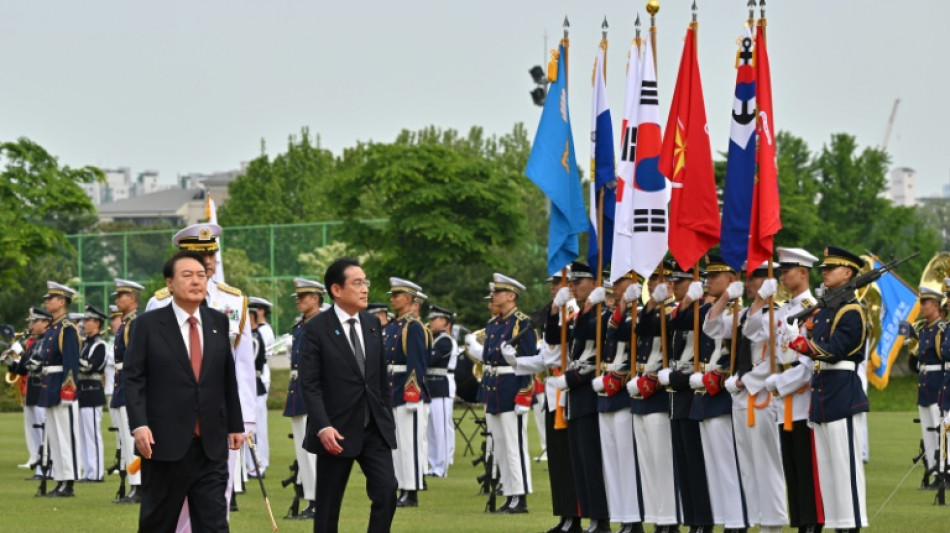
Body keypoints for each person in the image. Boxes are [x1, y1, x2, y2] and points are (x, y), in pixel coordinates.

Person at [125, 250, 245, 532]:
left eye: (201, 275)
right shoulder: (147, 325)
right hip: (164, 445)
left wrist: (235, 425)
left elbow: (227, 378)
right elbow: (133, 379)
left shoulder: (218, 322)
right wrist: (139, 424)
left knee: (214, 524)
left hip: (210, 446)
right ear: (170, 283)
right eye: (187, 275)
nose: (196, 281)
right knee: (158, 524)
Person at [146, 223, 256, 522]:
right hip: (173, 417)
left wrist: (245, 418)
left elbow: (243, 365)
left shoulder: (233, 302)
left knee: (217, 497)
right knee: (171, 498)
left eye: (211, 254)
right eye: (198, 255)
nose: (207, 262)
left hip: (219, 416)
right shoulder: (159, 302)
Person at [298, 257, 398, 533]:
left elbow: (379, 380)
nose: (365, 288)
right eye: (357, 283)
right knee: (328, 508)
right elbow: (310, 384)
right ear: (337, 290)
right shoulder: (316, 328)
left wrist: (386, 419)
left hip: (373, 428)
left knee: (387, 491)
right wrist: (323, 426)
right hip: (336, 431)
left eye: (366, 282)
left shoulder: (372, 324)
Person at [787, 247, 869, 532]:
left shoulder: (852, 311)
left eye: (830, 269)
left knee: (846, 469)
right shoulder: (826, 311)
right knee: (828, 473)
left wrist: (801, 344)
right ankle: (837, 524)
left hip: (842, 395)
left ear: (847, 273)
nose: (824, 273)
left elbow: (834, 351)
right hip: (823, 396)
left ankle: (851, 525)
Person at [754, 247, 823, 533]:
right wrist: (761, 299)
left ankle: (813, 523)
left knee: (807, 468)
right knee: (792, 468)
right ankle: (801, 523)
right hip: (783, 400)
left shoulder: (813, 309)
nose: (782, 276)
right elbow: (756, 335)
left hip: (803, 397)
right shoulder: (782, 311)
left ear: (803, 272)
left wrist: (780, 384)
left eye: (787, 271)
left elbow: (809, 363)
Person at [721, 261, 788, 533]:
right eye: (747, 279)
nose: (748, 284)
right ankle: (758, 520)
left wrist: (744, 380)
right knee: (748, 467)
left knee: (767, 464)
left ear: (768, 280)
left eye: (753, 279)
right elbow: (711, 327)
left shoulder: (779, 313)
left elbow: (776, 358)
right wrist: (727, 297)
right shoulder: (746, 313)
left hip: (763, 396)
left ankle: (773, 524)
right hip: (742, 396)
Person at [546, 262, 611, 533]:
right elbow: (554, 336)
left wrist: (590, 306)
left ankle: (600, 519)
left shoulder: (603, 315)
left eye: (579, 282)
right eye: (571, 282)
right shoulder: (580, 315)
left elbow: (595, 350)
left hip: (590, 393)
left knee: (592, 462)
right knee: (580, 463)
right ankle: (589, 517)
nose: (572, 286)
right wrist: (554, 309)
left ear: (595, 284)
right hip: (575, 397)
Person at [659, 262, 714, 533]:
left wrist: (693, 301)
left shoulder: (704, 311)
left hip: (694, 392)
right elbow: (671, 325)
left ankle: (703, 522)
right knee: (683, 464)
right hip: (676, 393)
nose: (674, 285)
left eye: (679, 282)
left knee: (696, 463)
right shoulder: (680, 311)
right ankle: (692, 521)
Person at [478, 274, 538, 514]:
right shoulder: (494, 324)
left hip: (512, 388)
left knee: (515, 446)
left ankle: (520, 496)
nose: (493, 296)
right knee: (501, 447)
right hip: (494, 389)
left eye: (498, 292)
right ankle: (510, 493)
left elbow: (529, 362)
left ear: (511, 296)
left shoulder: (522, 323)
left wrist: (524, 394)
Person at [628, 261, 679, 533]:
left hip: (658, 391)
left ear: (670, 283)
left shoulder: (674, 311)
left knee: (663, 462)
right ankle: (657, 517)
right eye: (651, 278)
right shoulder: (649, 311)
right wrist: (650, 304)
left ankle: (669, 520)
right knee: (647, 462)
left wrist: (652, 381)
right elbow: (639, 331)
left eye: (658, 278)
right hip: (641, 391)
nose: (651, 283)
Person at [597, 270, 644, 533]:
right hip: (607, 392)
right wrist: (623, 304)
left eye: (619, 282)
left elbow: (629, 336)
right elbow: (609, 333)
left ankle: (633, 519)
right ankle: (622, 516)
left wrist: (629, 304)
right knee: (612, 461)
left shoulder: (642, 314)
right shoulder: (616, 314)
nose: (613, 287)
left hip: (624, 390)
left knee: (627, 461)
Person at [385, 278, 432, 507]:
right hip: (392, 390)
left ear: (408, 298)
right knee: (396, 446)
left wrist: (412, 393)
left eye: (397, 295)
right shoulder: (393, 326)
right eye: (392, 295)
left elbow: (416, 363)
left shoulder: (413, 327)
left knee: (409, 444)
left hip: (406, 391)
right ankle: (400, 486)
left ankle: (411, 490)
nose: (393, 299)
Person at [284, 279, 325, 519]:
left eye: (303, 297)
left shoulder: (323, 324)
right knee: (303, 452)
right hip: (298, 392)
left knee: (313, 454)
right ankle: (311, 499)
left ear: (316, 299)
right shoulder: (300, 326)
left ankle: (318, 501)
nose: (298, 301)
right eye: (297, 297)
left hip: (313, 392)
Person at [38, 281, 83, 497]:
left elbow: (71, 363)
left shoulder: (67, 329)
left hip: (62, 387)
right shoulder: (53, 329)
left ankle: (69, 481)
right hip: (50, 385)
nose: (47, 302)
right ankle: (60, 478)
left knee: (66, 437)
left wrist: (68, 390)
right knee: (55, 438)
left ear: (62, 301)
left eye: (51, 298)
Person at [112, 278, 146, 503]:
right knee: (124, 438)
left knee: (132, 437)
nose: (117, 300)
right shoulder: (126, 323)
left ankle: (139, 485)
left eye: (121, 296)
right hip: (120, 384)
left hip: (130, 385)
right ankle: (134, 484)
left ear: (133, 298)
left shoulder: (135, 323)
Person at [10, 307, 53, 479]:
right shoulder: (34, 343)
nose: (31, 325)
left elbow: (45, 363)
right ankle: (38, 468)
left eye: (35, 322)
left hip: (43, 389)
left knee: (44, 431)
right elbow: (22, 369)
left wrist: (27, 361)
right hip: (32, 391)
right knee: (34, 431)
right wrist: (11, 360)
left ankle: (49, 468)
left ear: (45, 323)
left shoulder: (50, 342)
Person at [910, 286, 945, 486]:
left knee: (941, 431)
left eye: (925, 303)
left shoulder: (942, 329)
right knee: (928, 432)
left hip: (937, 385)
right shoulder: (923, 330)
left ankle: (943, 471)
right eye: (921, 303)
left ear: (935, 305)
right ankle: (933, 471)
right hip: (925, 386)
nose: (921, 307)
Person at [425, 304, 457, 478]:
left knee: (441, 429)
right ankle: (433, 464)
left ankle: (442, 466)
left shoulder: (445, 340)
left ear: (444, 321)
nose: (431, 322)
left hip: (441, 387)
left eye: (434, 319)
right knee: (431, 430)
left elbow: (430, 359)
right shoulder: (432, 338)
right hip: (431, 387)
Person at [78, 304, 109, 482]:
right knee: (83, 435)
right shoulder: (84, 343)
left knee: (92, 435)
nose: (85, 323)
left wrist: (74, 359)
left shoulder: (100, 344)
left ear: (97, 323)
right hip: (81, 392)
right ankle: (88, 471)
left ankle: (96, 473)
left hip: (93, 391)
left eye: (88, 320)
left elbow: (92, 366)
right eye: (84, 320)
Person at [246, 296, 274, 479]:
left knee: (257, 425)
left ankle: (259, 463)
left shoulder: (263, 331)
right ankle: (255, 463)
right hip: (255, 379)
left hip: (258, 378)